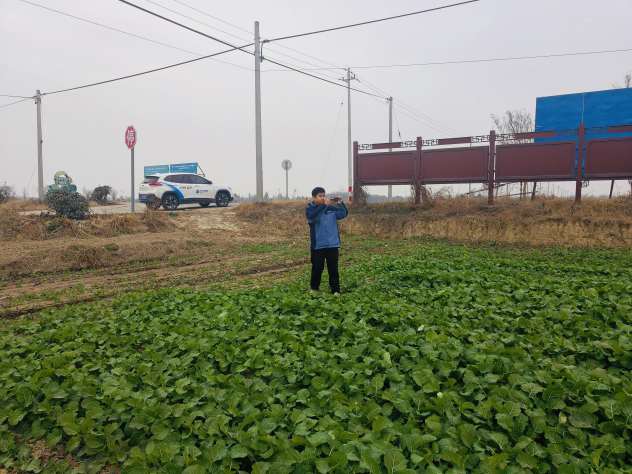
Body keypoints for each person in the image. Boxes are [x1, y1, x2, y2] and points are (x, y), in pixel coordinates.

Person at [305, 187, 348, 294]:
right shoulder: (311, 209)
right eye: (320, 196)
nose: (323, 198)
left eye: (324, 195)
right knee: (317, 268)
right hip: (318, 245)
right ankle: (314, 289)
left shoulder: (330, 208)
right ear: (314, 197)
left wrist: (340, 203)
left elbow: (343, 213)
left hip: (332, 244)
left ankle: (335, 290)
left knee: (333, 269)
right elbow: (312, 218)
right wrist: (324, 206)